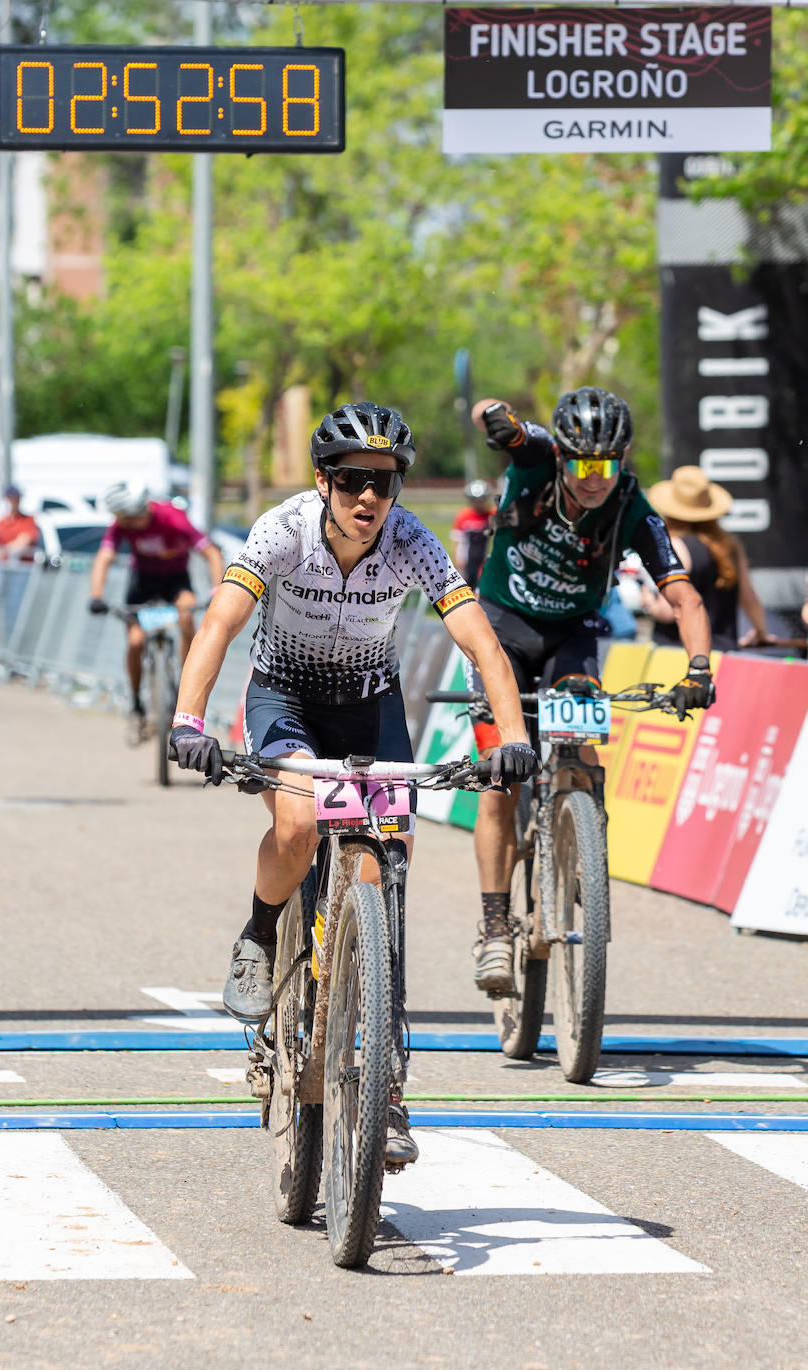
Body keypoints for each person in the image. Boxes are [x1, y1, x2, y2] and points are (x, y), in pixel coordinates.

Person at [169, 401, 537, 1166]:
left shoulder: (411, 542)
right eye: (350, 482)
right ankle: (261, 934)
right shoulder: (283, 530)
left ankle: (385, 1082)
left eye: (383, 482)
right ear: (322, 482)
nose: (367, 498)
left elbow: (481, 645)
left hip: (370, 707)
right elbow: (219, 622)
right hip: (285, 696)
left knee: (381, 876)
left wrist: (514, 739)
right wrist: (187, 720)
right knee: (299, 827)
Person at [467, 386, 716, 994]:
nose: (593, 478)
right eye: (581, 464)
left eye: (606, 465)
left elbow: (684, 597)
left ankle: (580, 833)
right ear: (564, 457)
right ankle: (496, 927)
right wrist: (494, 417)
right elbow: (494, 422)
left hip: (572, 637)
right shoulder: (537, 456)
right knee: (501, 774)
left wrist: (700, 670)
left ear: (622, 460)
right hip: (501, 629)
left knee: (579, 746)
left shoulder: (633, 505)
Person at [88, 482, 224, 728]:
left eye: (127, 520)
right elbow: (104, 557)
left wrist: (217, 591)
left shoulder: (172, 518)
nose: (124, 524)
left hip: (175, 580)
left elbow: (212, 553)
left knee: (187, 612)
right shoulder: (121, 525)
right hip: (142, 581)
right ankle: (136, 698)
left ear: (137, 514)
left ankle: (186, 678)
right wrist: (96, 595)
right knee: (135, 641)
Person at [642, 466, 773, 652]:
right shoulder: (730, 547)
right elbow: (749, 597)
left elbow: (667, 611)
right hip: (723, 654)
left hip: (680, 655)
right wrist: (761, 631)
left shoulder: (674, 546)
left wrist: (648, 602)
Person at [450, 479, 494, 591]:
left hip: (483, 561)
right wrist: (457, 562)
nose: (478, 503)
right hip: (466, 562)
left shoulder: (490, 515)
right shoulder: (463, 516)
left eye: (481, 500)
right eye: (475, 500)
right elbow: (456, 541)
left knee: (482, 590)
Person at [0, 485, 39, 558]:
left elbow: (22, 542)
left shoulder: (28, 520)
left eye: (16, 498)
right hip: (3, 566)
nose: (14, 501)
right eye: (11, 498)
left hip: (23, 567)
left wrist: (3, 551)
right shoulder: (0, 523)